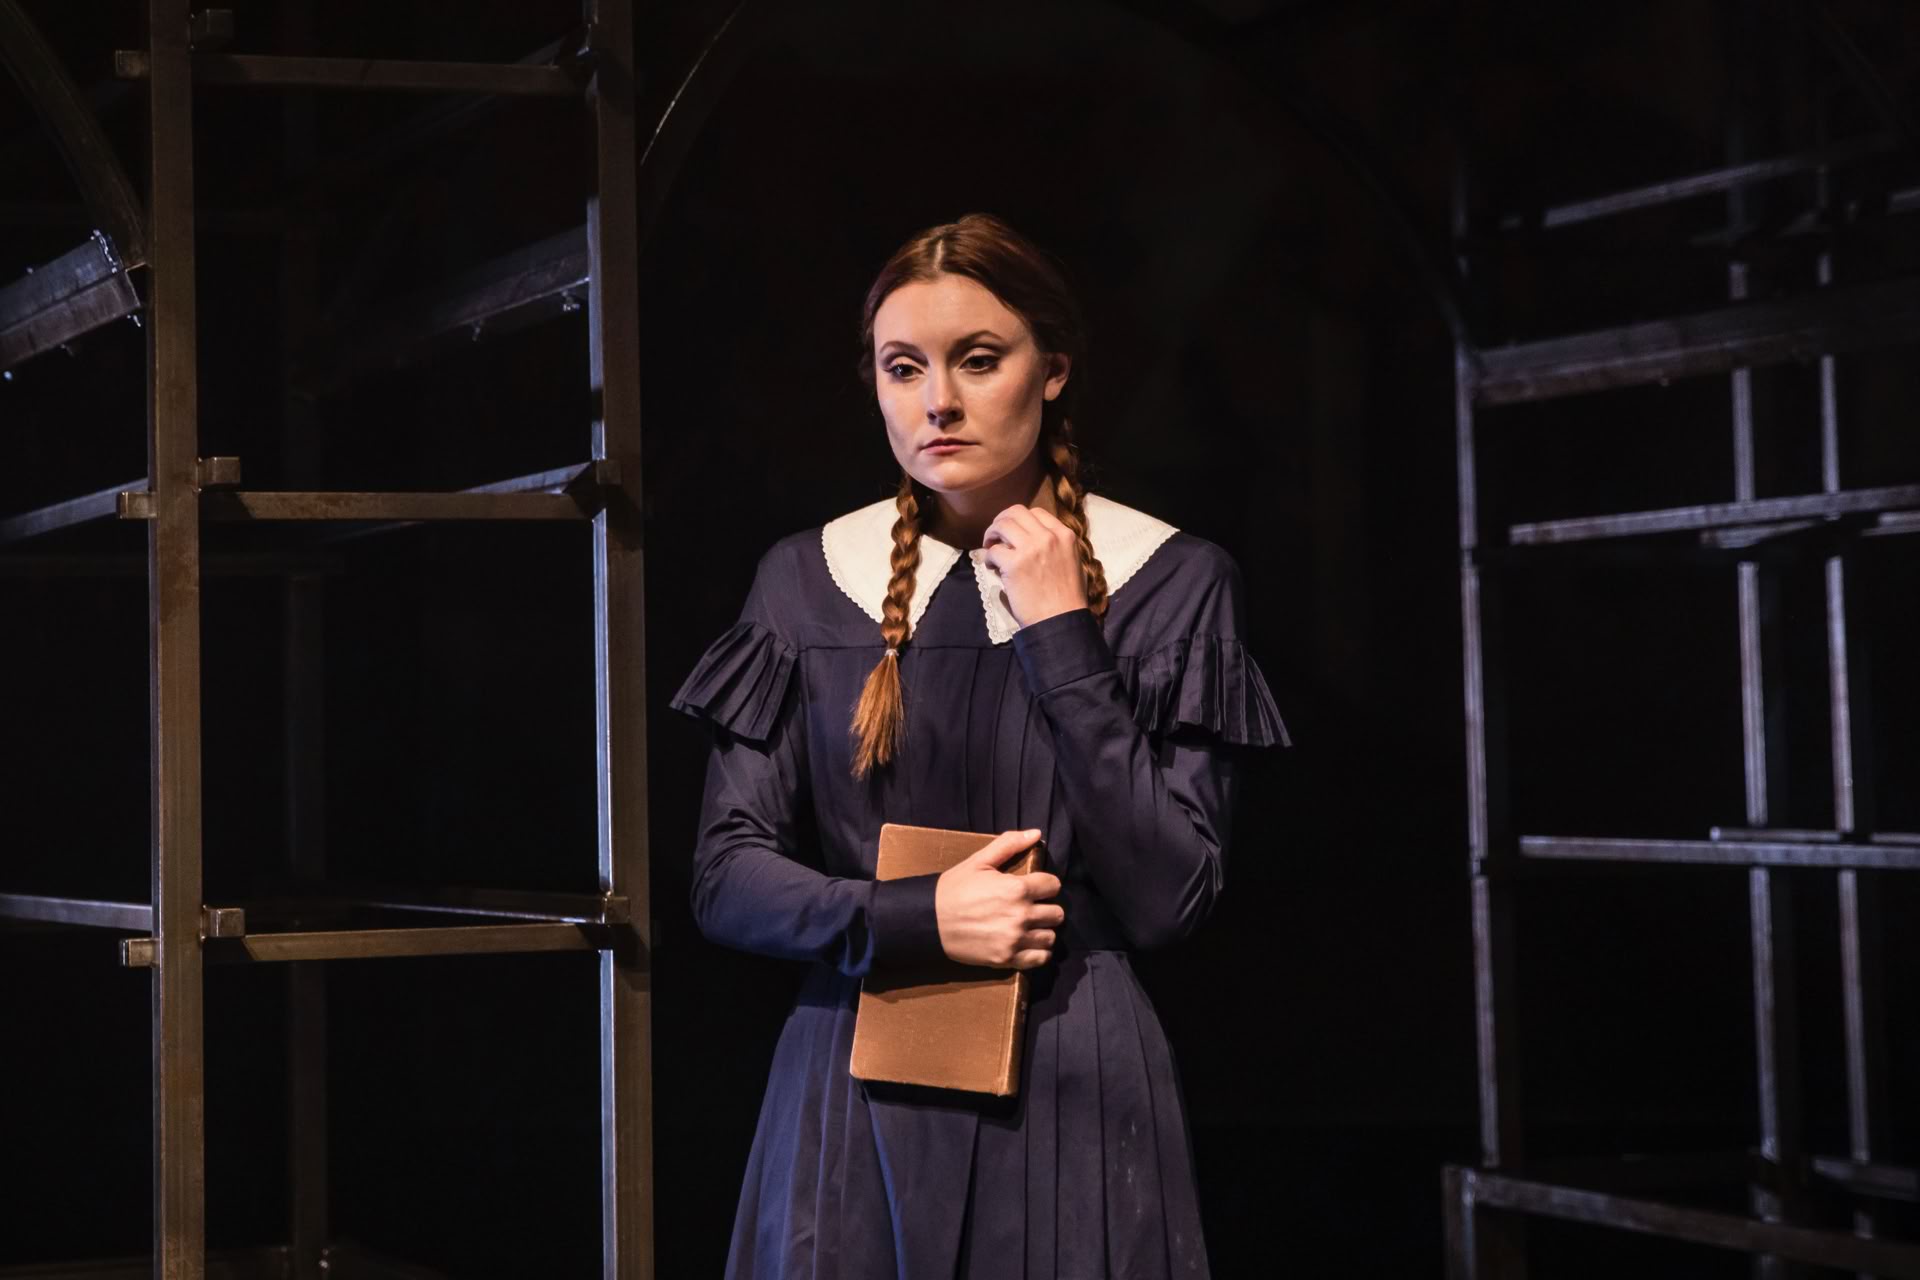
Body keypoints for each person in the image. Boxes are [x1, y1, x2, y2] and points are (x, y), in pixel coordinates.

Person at [668, 212, 1292, 1280]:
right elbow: (725, 877)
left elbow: (1168, 898)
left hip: (1072, 1083)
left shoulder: (1173, 578)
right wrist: (914, 917)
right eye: (903, 367)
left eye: (979, 359)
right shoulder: (804, 577)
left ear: (1053, 369)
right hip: (849, 1078)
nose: (938, 402)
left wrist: (1062, 635)